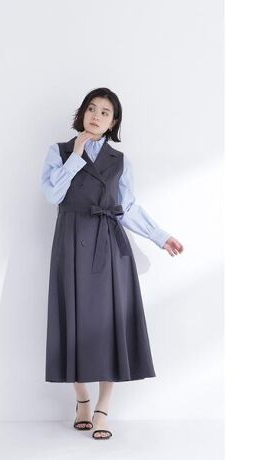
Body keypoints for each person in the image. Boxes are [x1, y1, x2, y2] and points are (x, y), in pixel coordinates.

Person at [40, 87, 184, 440]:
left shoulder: (119, 161)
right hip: (71, 243)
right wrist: (76, 156)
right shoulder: (59, 151)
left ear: (113, 121)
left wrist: (160, 236)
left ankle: (103, 408)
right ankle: (82, 399)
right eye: (92, 108)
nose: (96, 116)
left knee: (108, 325)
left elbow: (127, 207)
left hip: (107, 245)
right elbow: (52, 194)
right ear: (82, 113)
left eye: (105, 112)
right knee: (72, 321)